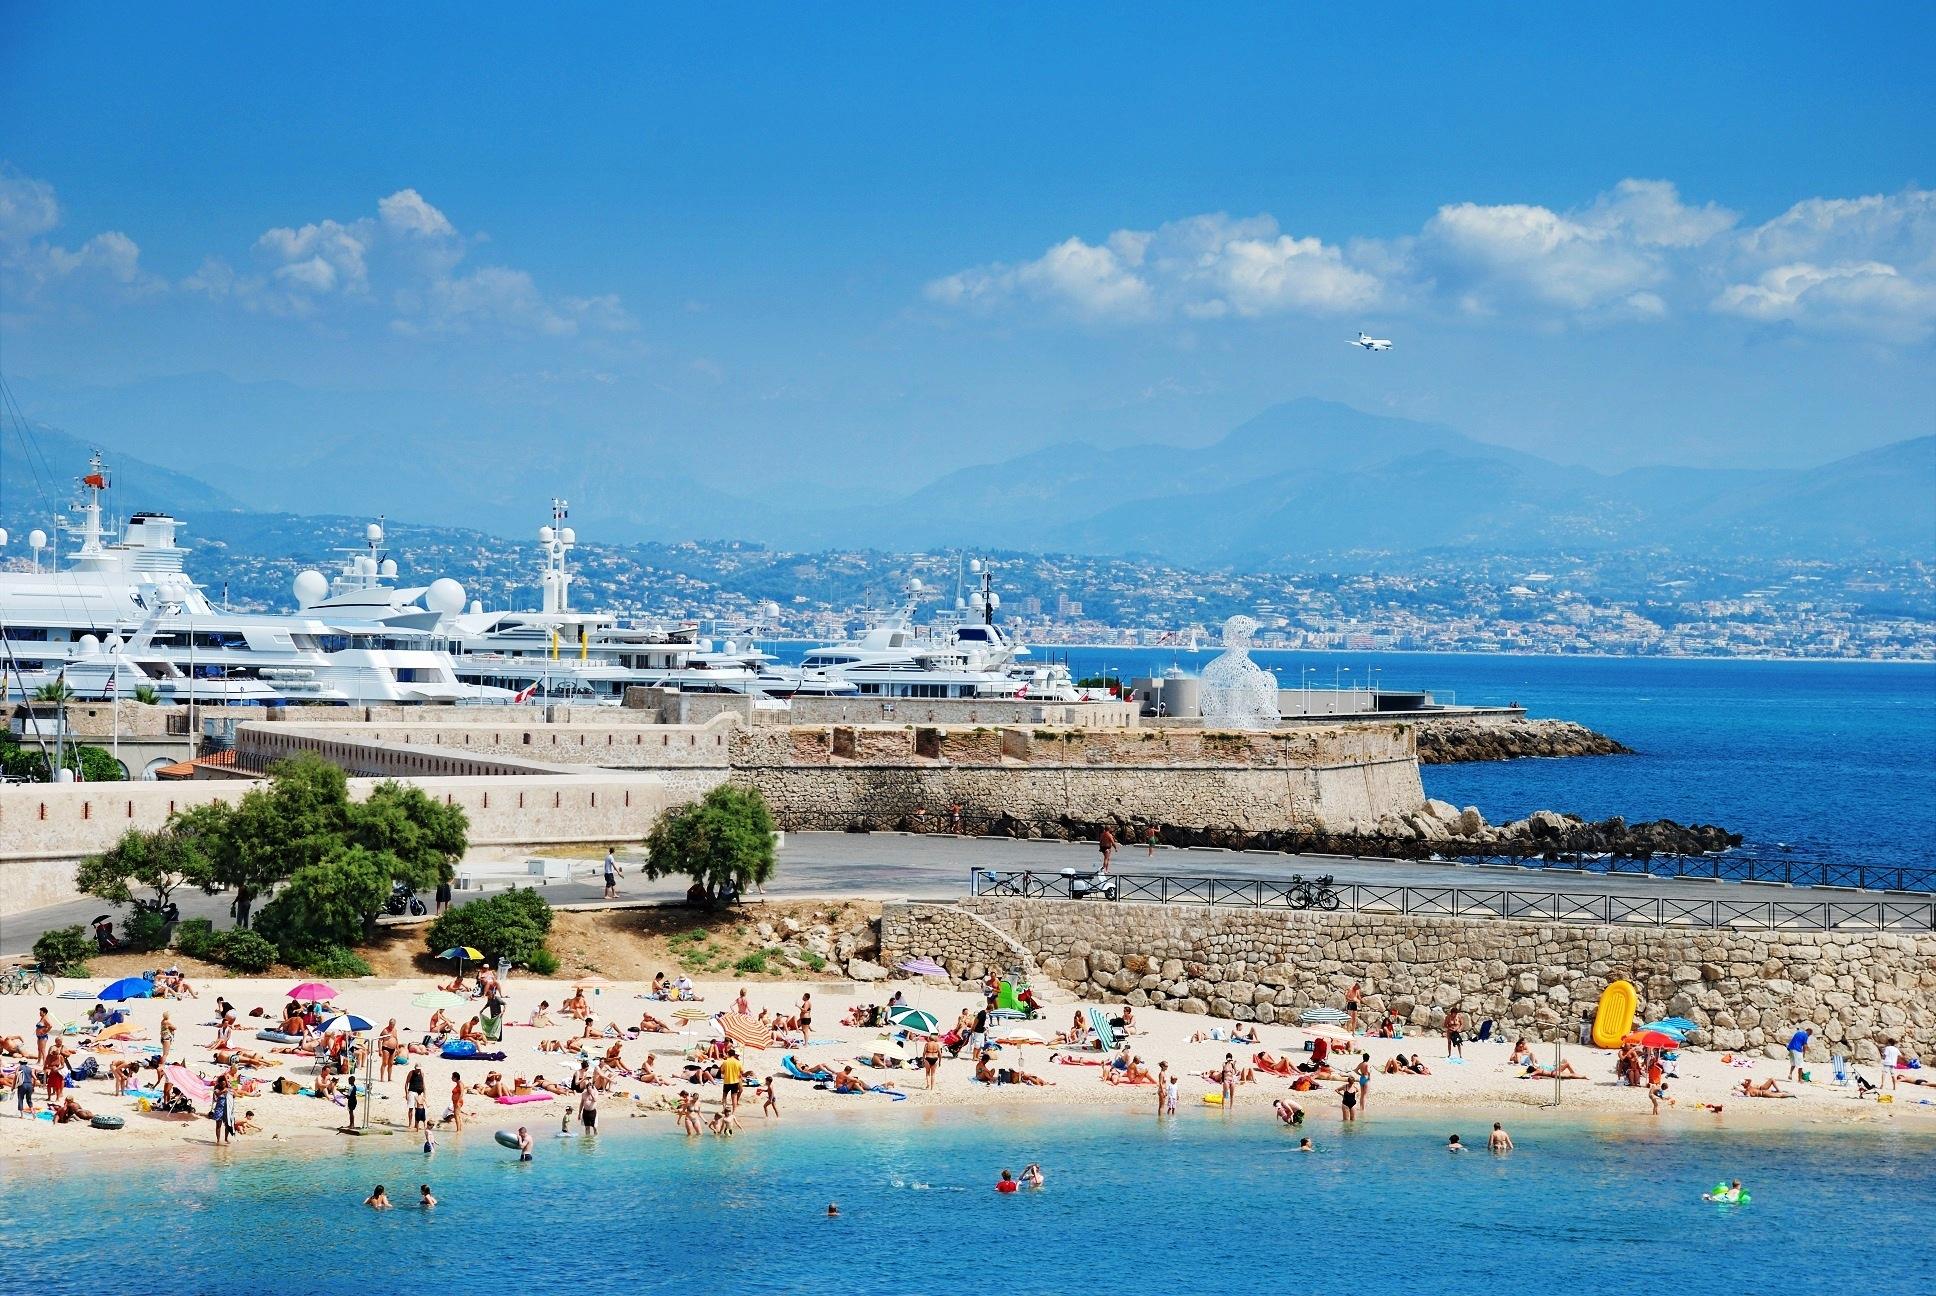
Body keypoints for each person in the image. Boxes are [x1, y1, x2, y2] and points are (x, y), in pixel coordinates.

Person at [721, 1047, 744, 1112]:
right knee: (734, 1097)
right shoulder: (738, 1062)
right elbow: (742, 1072)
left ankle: (724, 1109)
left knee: (724, 1096)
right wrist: (739, 1074)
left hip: (727, 1081)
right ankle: (734, 1112)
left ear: (728, 1054)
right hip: (735, 1082)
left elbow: (722, 1072)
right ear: (734, 1055)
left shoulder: (725, 1062)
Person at [406, 1065, 427, 1130]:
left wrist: (425, 1093)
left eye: (419, 1069)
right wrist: (406, 1093)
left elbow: (423, 1083)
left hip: (419, 1093)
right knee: (411, 1108)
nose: (418, 1070)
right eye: (417, 1069)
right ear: (415, 1068)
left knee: (418, 1109)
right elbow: (406, 1083)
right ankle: (410, 1124)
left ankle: (416, 1124)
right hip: (412, 1092)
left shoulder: (422, 1073)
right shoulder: (411, 1073)